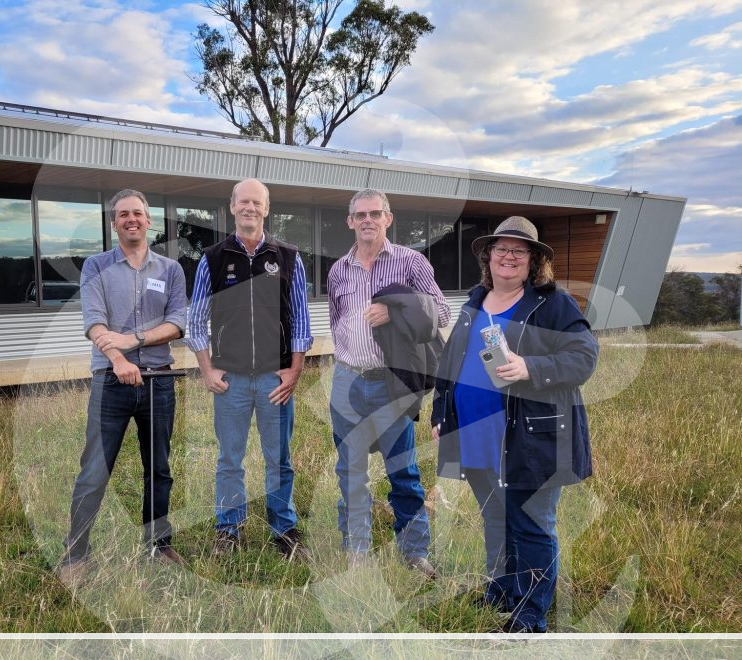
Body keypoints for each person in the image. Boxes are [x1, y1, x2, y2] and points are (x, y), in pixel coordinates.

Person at [431, 216, 598, 633]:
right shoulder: (475, 300)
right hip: (476, 434)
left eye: (518, 251)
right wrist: (441, 413)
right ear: (489, 256)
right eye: (501, 249)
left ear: (534, 260)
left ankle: (529, 615)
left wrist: (531, 366)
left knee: (533, 525)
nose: (508, 256)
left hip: (530, 439)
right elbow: (451, 362)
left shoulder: (551, 304)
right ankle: (500, 591)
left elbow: (584, 357)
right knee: (494, 518)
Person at [59, 189, 189, 584]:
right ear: (114, 223)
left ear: (149, 221)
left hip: (159, 382)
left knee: (159, 469)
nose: (131, 219)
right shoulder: (95, 266)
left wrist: (132, 342)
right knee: (94, 470)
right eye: (122, 214)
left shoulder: (171, 270)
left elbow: (178, 321)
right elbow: (94, 322)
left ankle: (158, 543)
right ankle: (76, 553)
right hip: (110, 384)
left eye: (138, 213)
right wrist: (117, 359)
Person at [187, 178, 313, 559]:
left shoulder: (289, 257)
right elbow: (195, 322)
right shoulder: (212, 258)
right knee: (230, 459)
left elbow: (302, 323)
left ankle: (284, 529)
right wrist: (207, 371)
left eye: (256, 203)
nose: (250, 208)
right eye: (243, 202)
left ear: (267, 208)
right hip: (232, 381)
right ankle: (229, 529)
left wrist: (294, 373)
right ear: (232, 206)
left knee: (279, 459)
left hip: (276, 379)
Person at [327, 188, 449, 573]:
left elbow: (440, 312)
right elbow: (337, 320)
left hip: (390, 383)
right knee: (351, 470)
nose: (367, 220)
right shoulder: (337, 270)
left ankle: (415, 552)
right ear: (350, 221)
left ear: (388, 218)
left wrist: (393, 308)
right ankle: (357, 552)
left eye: (375, 214)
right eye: (360, 215)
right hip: (347, 380)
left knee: (403, 470)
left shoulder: (410, 262)